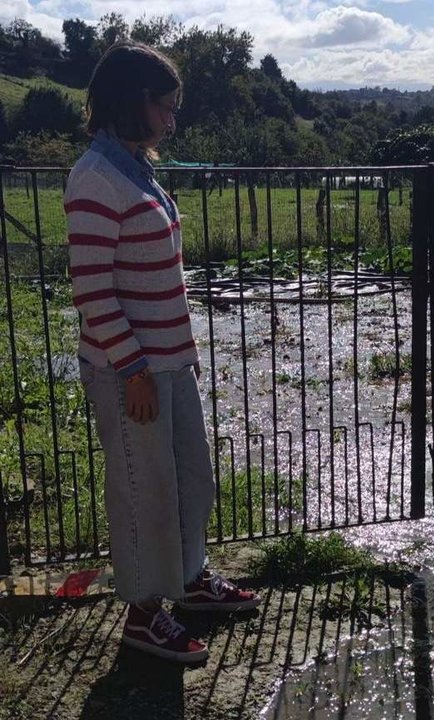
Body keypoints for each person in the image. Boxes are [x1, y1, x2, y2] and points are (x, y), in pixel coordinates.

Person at [64, 41, 260, 664]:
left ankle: (191, 579)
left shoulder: (132, 166)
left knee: (189, 480)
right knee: (143, 488)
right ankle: (144, 614)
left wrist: (171, 359)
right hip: (134, 373)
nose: (172, 121)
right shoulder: (95, 177)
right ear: (133, 101)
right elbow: (92, 291)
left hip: (168, 364)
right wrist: (135, 369)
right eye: (166, 107)